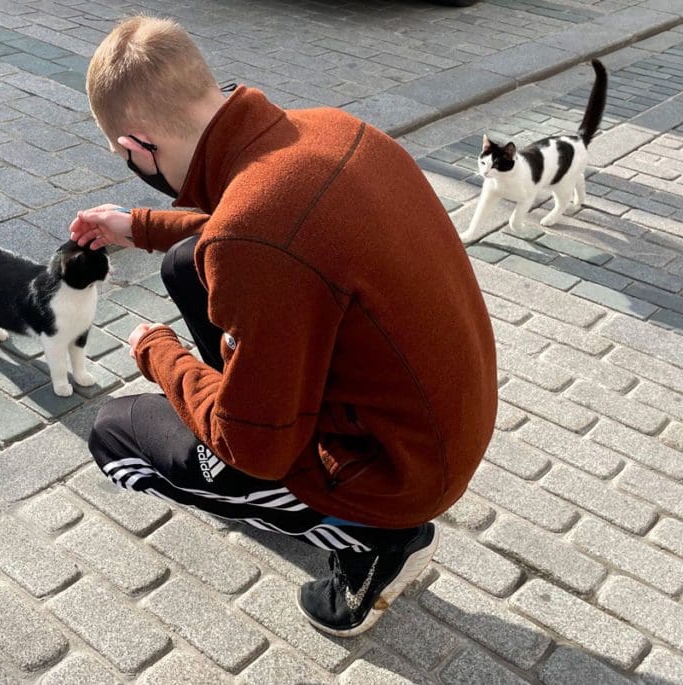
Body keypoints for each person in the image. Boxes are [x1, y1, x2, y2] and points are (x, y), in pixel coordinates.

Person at [69, 16, 497, 636]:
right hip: (438, 426)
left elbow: (258, 448)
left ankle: (373, 545)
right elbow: (257, 233)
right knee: (186, 265)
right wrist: (136, 225)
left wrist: (156, 354)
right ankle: (257, 405)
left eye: (124, 157)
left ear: (137, 146)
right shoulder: (329, 127)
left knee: (114, 433)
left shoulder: (255, 241)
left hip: (398, 478)